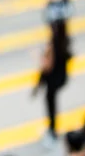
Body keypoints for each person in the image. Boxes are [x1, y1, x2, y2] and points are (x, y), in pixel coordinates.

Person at [32, 21, 72, 149]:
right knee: (53, 105)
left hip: (52, 81)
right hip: (61, 78)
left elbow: (47, 66)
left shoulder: (53, 44)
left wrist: (39, 57)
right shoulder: (64, 40)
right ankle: (52, 129)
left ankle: (52, 132)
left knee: (51, 106)